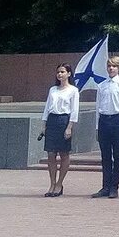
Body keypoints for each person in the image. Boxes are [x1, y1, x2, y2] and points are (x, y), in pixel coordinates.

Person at [93, 56, 119, 199]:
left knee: (117, 155)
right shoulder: (102, 85)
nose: (111, 68)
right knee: (105, 156)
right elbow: (98, 108)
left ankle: (114, 186)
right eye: (109, 66)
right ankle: (105, 186)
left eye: (114, 66)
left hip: (117, 120)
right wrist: (97, 127)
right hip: (104, 120)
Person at [41, 64, 79, 196]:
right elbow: (47, 107)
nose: (60, 74)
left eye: (62, 72)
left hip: (64, 121)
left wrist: (69, 127)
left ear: (69, 74)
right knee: (51, 154)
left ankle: (59, 183)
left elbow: (74, 111)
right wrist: (44, 124)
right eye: (58, 72)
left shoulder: (73, 90)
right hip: (52, 120)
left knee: (64, 154)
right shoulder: (53, 89)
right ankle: (52, 183)